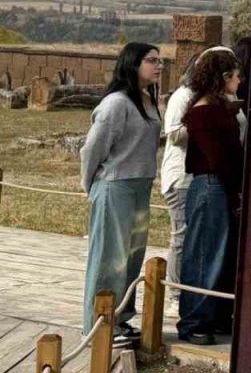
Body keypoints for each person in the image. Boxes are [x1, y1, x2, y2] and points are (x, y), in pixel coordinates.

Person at [80, 43, 164, 346]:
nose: (158, 65)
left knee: (132, 257)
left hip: (141, 186)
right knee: (109, 258)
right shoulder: (116, 103)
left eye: (160, 61)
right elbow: (92, 148)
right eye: (152, 60)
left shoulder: (147, 99)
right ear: (133, 63)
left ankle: (119, 318)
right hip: (115, 186)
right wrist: (90, 185)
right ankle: (97, 325)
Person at [161, 47, 244, 302]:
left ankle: (203, 305)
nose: (240, 81)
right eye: (235, 75)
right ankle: (183, 299)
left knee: (211, 247)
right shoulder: (195, 103)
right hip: (197, 179)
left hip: (214, 180)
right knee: (194, 245)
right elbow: (176, 134)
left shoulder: (221, 102)